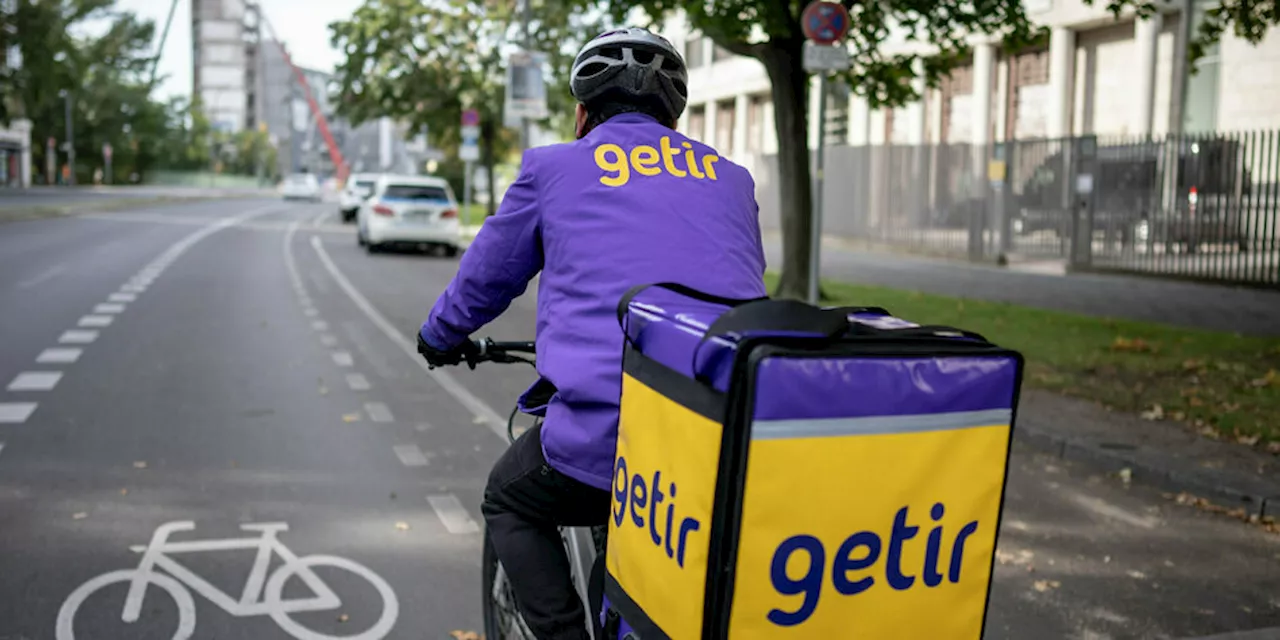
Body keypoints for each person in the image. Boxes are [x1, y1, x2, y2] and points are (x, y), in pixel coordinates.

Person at [417, 26, 767, 639]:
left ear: (582, 114)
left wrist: (439, 337)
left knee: (509, 498)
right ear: (673, 117)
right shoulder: (732, 179)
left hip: (607, 435)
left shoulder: (554, 168)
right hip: (722, 431)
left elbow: (487, 278)